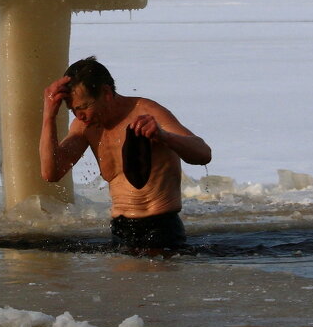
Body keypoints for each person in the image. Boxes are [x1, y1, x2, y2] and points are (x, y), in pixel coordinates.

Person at [39, 56, 211, 253]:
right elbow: (51, 173)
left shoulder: (146, 112)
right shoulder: (85, 126)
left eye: (84, 107)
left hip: (160, 227)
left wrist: (163, 136)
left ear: (106, 92)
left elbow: (203, 153)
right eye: (73, 110)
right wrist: (49, 116)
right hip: (121, 230)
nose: (80, 116)